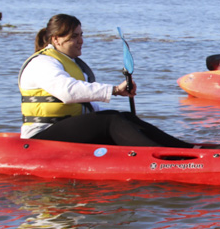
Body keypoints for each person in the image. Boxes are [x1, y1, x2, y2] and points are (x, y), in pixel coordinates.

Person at [19, 14, 199, 148]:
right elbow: (67, 92)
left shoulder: (69, 63)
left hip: (66, 129)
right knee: (110, 120)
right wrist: (113, 90)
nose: (81, 41)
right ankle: (163, 158)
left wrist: (123, 119)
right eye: (74, 36)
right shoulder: (42, 63)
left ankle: (187, 148)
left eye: (81, 35)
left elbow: (88, 106)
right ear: (55, 39)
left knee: (123, 116)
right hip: (40, 136)